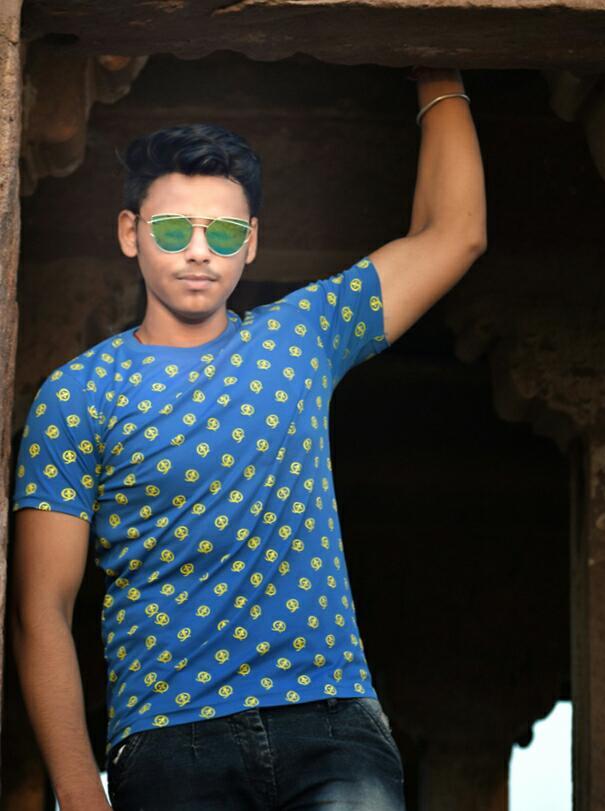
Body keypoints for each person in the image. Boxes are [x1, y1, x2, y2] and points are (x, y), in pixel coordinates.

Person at [9, 65, 486, 811]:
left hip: (333, 723)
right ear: (130, 233)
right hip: (169, 740)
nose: (199, 250)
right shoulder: (78, 394)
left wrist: (436, 70)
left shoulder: (305, 334)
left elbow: (453, 235)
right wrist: (77, 789)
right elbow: (40, 604)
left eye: (223, 232)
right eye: (174, 229)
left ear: (251, 242)